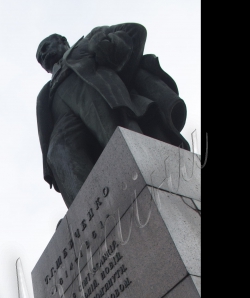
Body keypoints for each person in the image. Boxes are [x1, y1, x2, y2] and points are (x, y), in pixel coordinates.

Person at [36, 26, 190, 207]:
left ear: (62, 41)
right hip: (63, 117)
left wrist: (121, 75)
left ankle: (141, 175)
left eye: (46, 47)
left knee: (111, 129)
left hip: (94, 91)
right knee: (57, 151)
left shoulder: (86, 42)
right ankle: (90, 209)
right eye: (40, 57)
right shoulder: (46, 94)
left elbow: (136, 32)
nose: (43, 55)